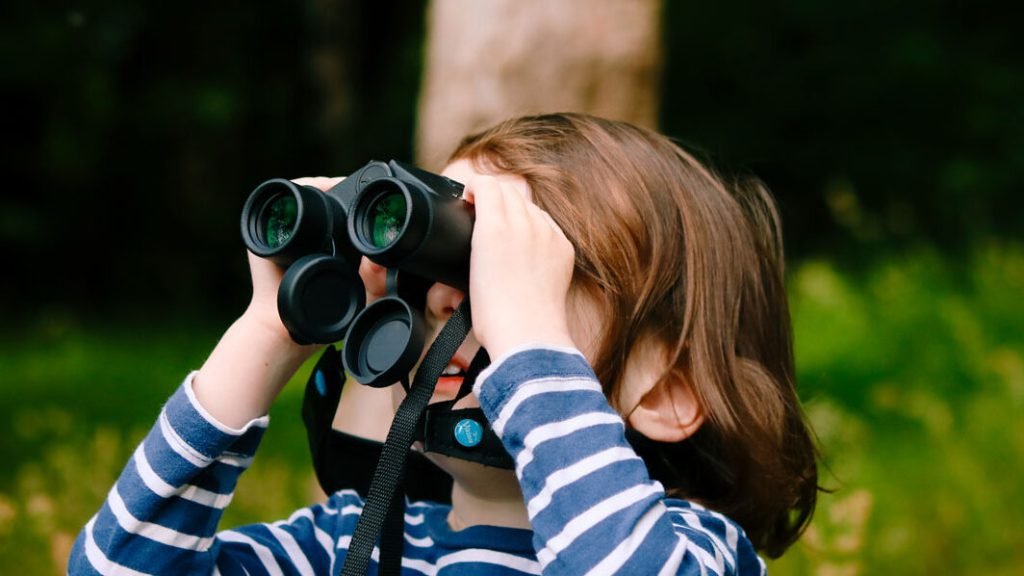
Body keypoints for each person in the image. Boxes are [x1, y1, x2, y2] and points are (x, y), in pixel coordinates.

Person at [68, 113, 820, 575]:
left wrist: (525, 337)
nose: (445, 296)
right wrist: (269, 328)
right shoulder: (351, 544)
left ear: (669, 394)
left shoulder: (693, 550)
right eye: (446, 259)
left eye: (508, 270)